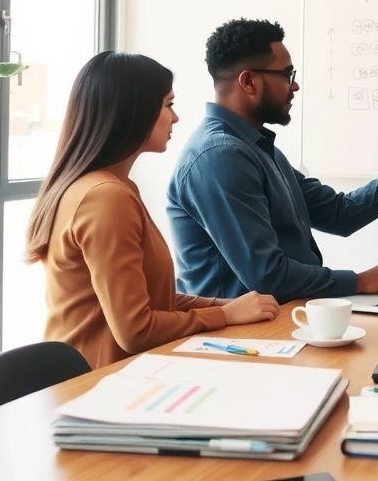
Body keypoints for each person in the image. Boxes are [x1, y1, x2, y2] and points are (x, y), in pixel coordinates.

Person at [167, 18, 378, 304]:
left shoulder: (257, 148)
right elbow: (267, 276)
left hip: (280, 319)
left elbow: (340, 213)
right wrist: (358, 281)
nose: (296, 86)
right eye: (287, 75)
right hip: (238, 338)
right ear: (249, 81)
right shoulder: (219, 157)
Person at [24, 52, 279, 369]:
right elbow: (136, 330)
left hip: (124, 376)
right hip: (98, 387)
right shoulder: (105, 198)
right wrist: (223, 314)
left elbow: (154, 299)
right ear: (134, 112)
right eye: (168, 105)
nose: (175, 118)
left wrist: (229, 306)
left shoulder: (108, 187)